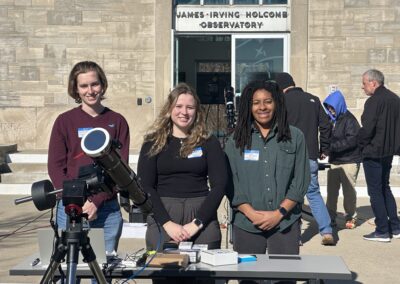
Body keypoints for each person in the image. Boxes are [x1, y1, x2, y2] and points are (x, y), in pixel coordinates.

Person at [48, 61, 130, 259]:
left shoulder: (117, 121)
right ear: (75, 89)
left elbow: (121, 169)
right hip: (70, 209)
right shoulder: (64, 121)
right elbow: (56, 166)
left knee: (102, 273)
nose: (90, 90)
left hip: (106, 210)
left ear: (102, 85)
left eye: (94, 84)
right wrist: (75, 199)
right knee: (68, 273)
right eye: (84, 86)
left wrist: (96, 201)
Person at [225, 80, 310, 263]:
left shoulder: (295, 137)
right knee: (249, 279)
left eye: (268, 101)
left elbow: (301, 181)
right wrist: (251, 213)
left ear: (277, 103)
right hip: (247, 224)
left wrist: (278, 213)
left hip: (285, 223)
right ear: (249, 106)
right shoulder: (236, 140)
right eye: (256, 102)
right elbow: (230, 183)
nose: (262, 107)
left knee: (284, 277)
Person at [137, 83, 228, 254]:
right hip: (163, 212)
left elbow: (219, 185)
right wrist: (167, 223)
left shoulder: (209, 142)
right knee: (164, 273)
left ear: (197, 111)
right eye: (178, 106)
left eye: (190, 107)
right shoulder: (153, 142)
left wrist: (197, 223)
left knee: (205, 274)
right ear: (169, 108)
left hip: (202, 213)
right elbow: (145, 186)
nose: (184, 112)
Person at [275, 72, 335, 245]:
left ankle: (294, 237)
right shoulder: (314, 100)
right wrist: (324, 148)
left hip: (287, 155)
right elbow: (325, 126)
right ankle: (327, 232)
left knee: (289, 194)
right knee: (313, 193)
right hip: (310, 154)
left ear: (280, 88)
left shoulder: (281, 102)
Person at [358, 69, 400, 242]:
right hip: (389, 151)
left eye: (364, 83)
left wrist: (360, 145)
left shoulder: (374, 101)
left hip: (374, 151)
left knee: (375, 190)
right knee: (384, 187)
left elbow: (367, 129)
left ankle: (382, 230)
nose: (363, 87)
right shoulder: (395, 99)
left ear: (373, 83)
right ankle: (396, 228)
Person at [323, 90, 362, 229]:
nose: (330, 110)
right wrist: (324, 149)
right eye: (328, 108)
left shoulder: (350, 119)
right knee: (332, 192)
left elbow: (351, 141)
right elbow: (326, 138)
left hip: (349, 160)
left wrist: (331, 148)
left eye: (332, 107)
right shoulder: (330, 120)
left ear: (339, 105)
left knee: (348, 192)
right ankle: (330, 217)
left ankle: (351, 216)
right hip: (335, 161)